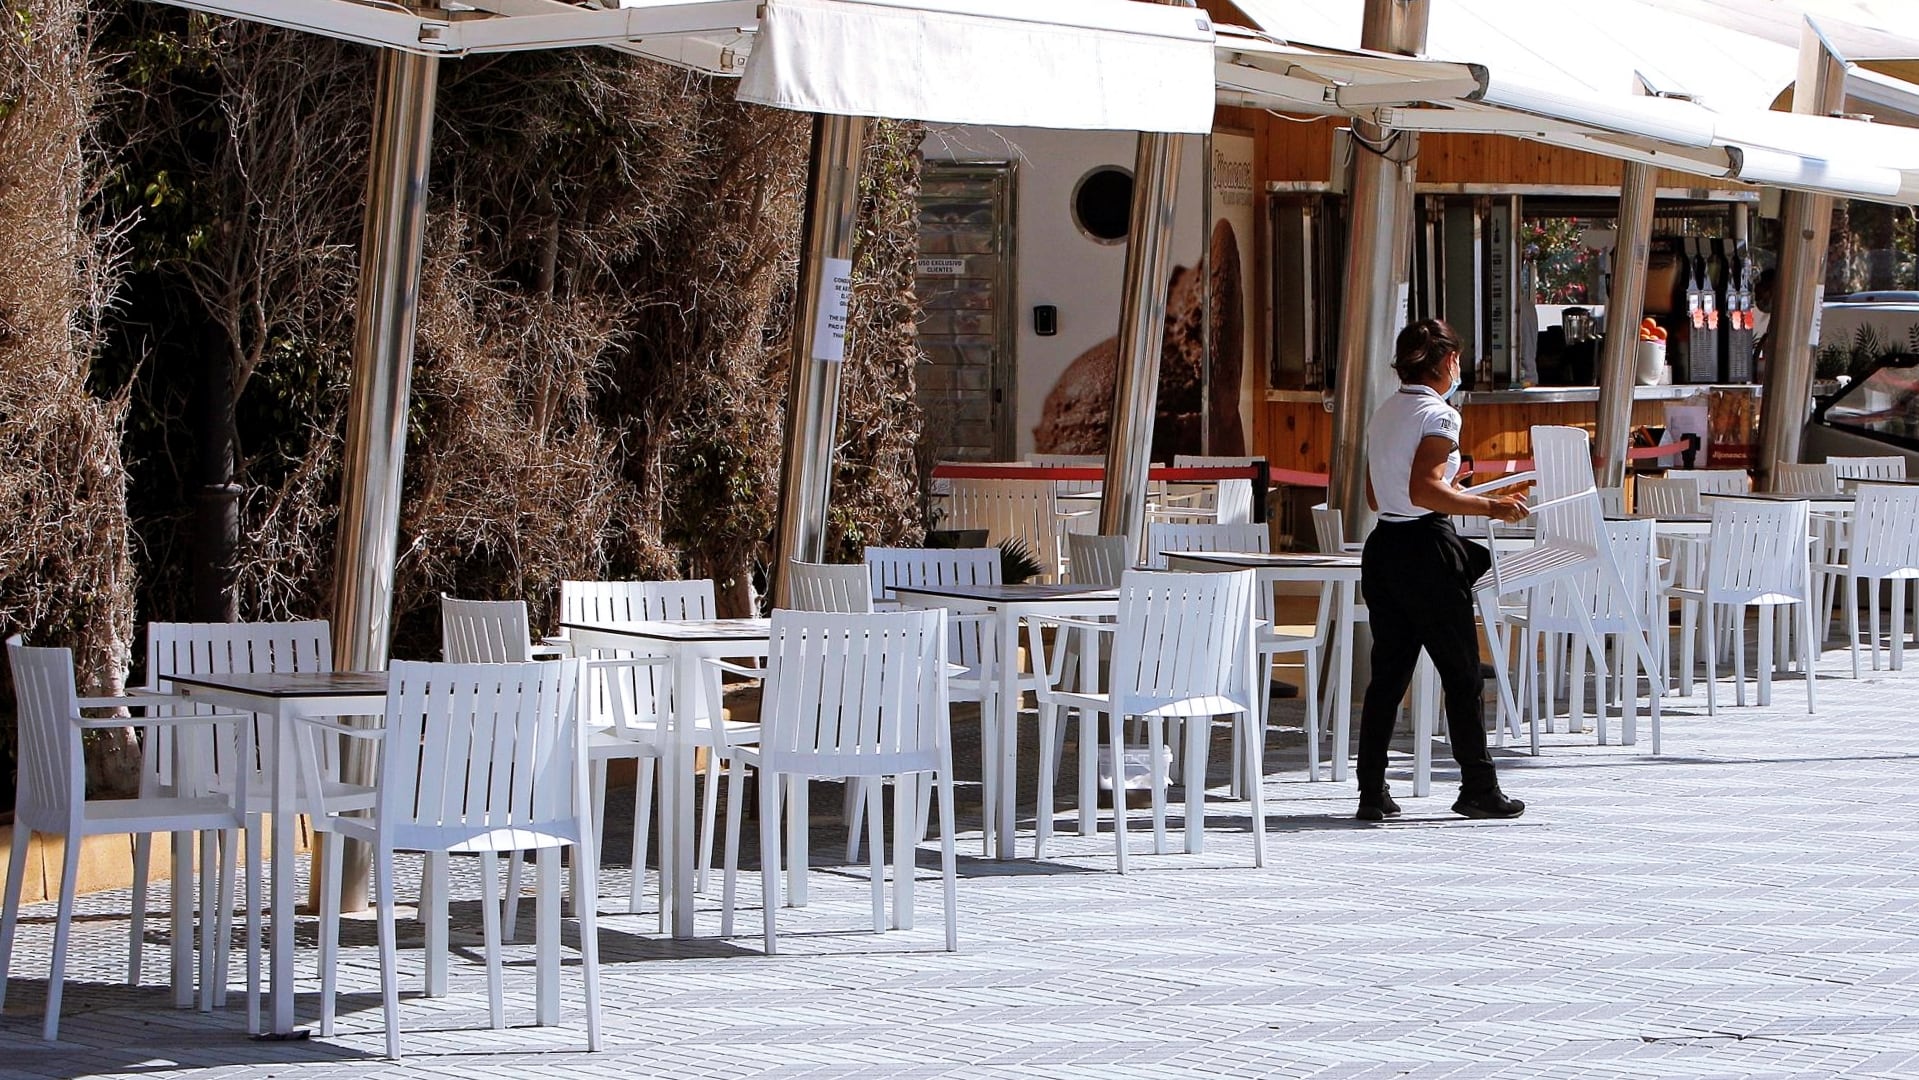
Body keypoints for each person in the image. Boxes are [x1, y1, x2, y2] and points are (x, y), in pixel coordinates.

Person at [1355, 319, 1530, 822]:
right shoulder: (1440, 416)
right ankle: (1477, 784)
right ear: (1446, 362)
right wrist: (1491, 506)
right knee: (1461, 672)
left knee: (1387, 676)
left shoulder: (1385, 413)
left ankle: (1372, 791)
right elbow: (1424, 489)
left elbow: (1378, 493)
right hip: (1426, 548)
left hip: (1384, 544)